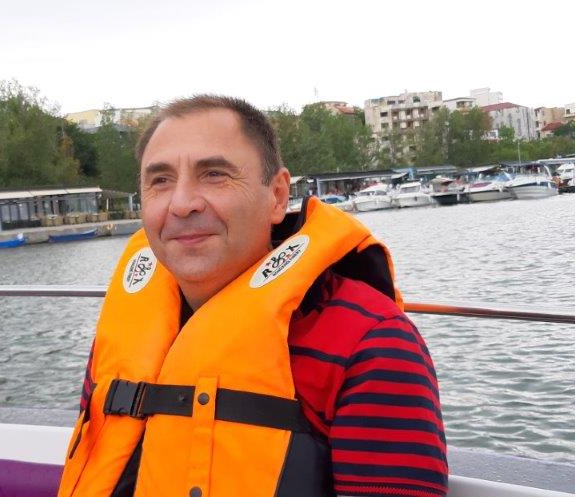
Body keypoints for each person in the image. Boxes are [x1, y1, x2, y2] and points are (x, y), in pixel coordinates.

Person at [58, 95, 447, 497]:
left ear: (277, 196)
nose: (182, 203)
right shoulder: (124, 335)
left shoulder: (371, 344)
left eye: (214, 174)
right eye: (160, 181)